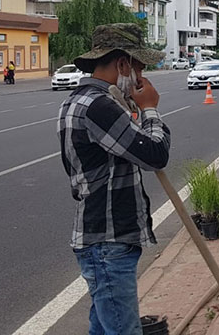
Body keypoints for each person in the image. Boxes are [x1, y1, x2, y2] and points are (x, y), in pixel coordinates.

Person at [58, 23, 171, 335]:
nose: (141, 78)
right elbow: (155, 154)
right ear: (122, 64)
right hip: (107, 241)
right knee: (123, 330)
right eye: (139, 67)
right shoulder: (97, 106)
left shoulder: (86, 101)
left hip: (105, 240)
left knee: (104, 328)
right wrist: (150, 110)